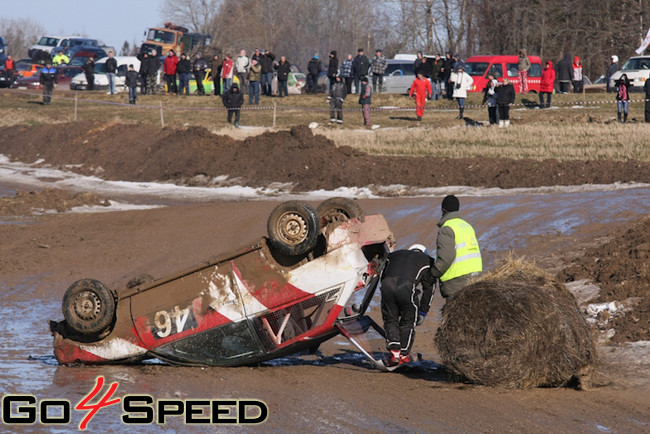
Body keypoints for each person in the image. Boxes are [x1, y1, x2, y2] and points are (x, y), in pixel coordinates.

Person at [380, 245, 435, 366]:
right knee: (408, 321)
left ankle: (394, 353)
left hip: (387, 286)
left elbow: (382, 273)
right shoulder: (427, 260)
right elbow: (429, 289)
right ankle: (403, 355)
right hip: (406, 288)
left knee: (390, 319)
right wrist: (423, 311)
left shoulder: (394, 255)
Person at [429, 195, 482, 299]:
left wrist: (433, 273)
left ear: (443, 210)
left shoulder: (446, 229)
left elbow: (446, 257)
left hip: (456, 284)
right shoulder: (467, 226)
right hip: (475, 279)